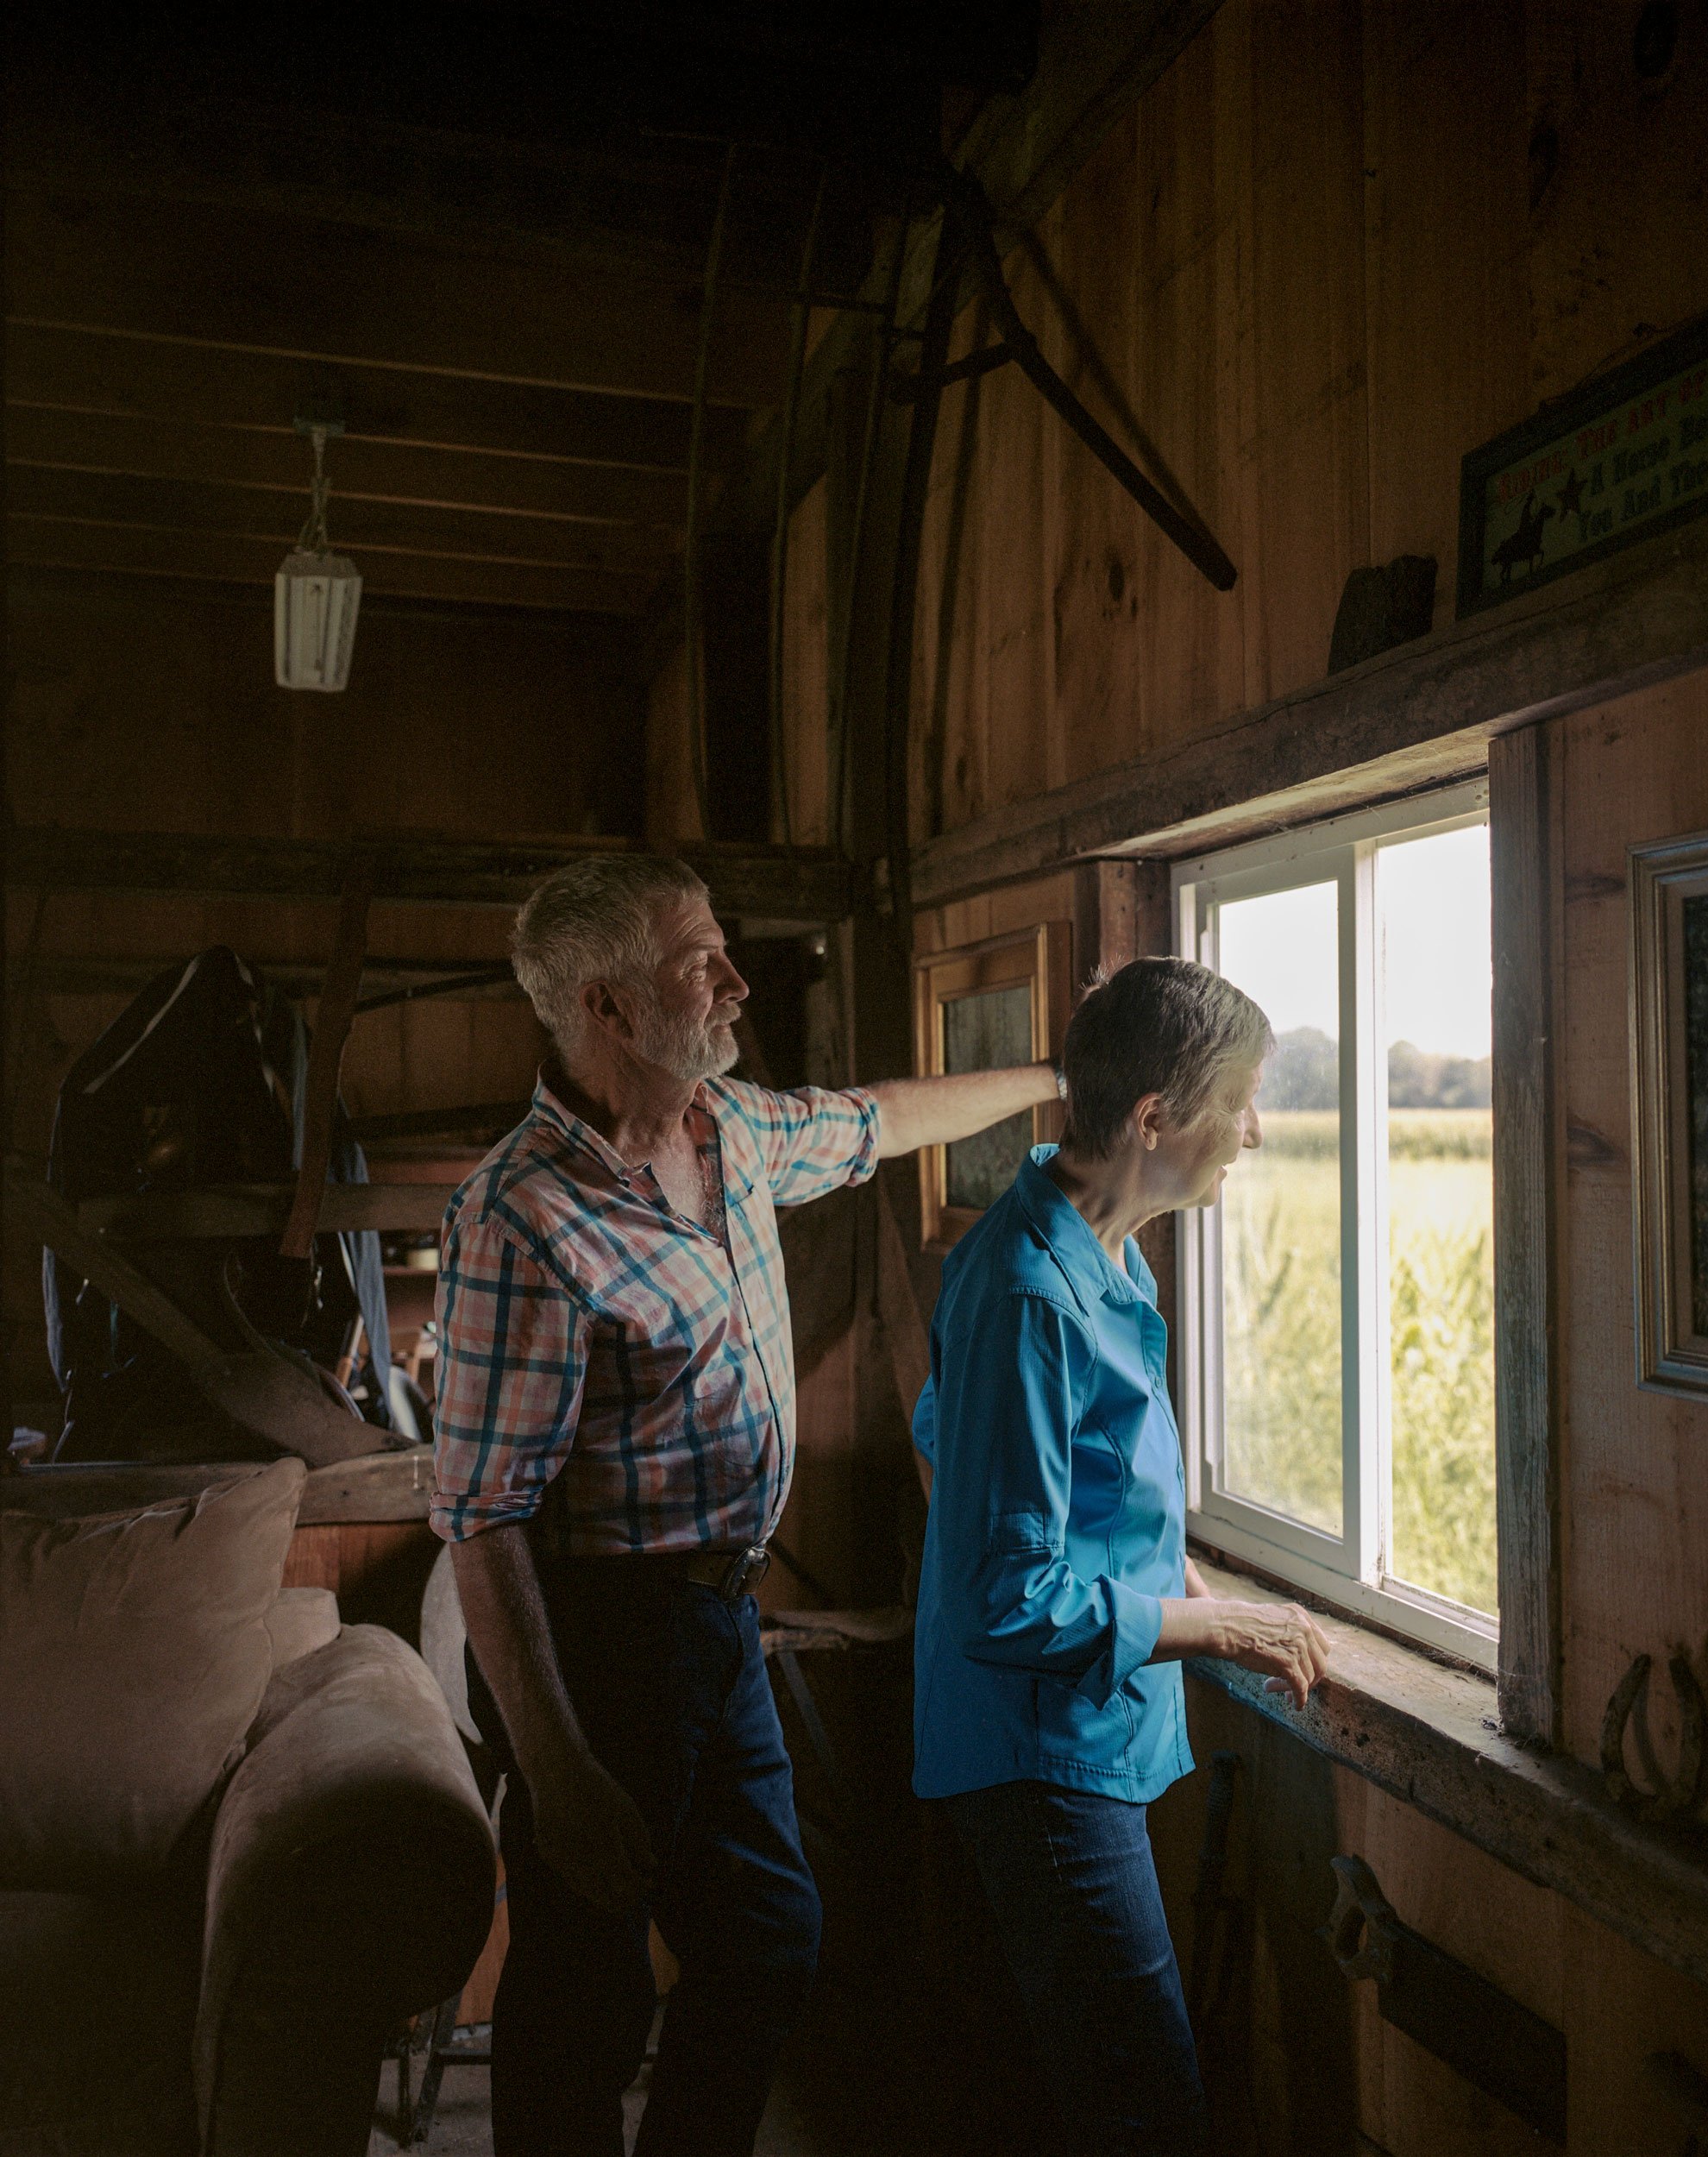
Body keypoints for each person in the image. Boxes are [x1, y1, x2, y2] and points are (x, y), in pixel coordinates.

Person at [429, 852, 1058, 2157]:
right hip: (596, 1640)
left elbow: (885, 1117)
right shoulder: (521, 1216)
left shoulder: (738, 1131)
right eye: (698, 961)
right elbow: (482, 1518)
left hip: (718, 1622)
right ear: (606, 1009)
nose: (736, 980)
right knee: (583, 1999)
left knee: (770, 1942)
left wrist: (1061, 1080)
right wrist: (554, 1764)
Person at [911, 956, 1332, 2157]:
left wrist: (1191, 1587)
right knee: (1146, 2108)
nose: (1252, 1132)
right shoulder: (1035, 1290)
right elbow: (1006, 1598)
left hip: (1075, 1730)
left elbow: (962, 1445)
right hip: (1041, 1753)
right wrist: (1228, 1629)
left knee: (1087, 2090)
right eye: (1238, 1102)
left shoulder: (1107, 1253)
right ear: (1154, 1118)